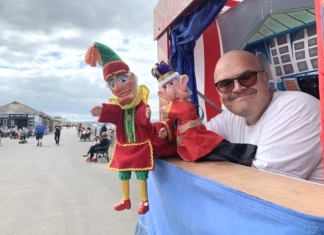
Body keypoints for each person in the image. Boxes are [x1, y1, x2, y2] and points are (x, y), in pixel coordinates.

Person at [85, 42, 177, 215]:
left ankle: (144, 201)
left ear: (132, 79)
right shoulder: (119, 107)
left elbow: (143, 118)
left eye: (121, 80)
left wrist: (146, 114)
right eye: (112, 84)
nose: (117, 87)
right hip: (124, 146)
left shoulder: (139, 103)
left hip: (140, 144)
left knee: (141, 174)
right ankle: (125, 199)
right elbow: (113, 112)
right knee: (123, 173)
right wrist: (102, 110)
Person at [205, 50, 323, 184]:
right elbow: (192, 141)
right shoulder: (230, 117)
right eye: (226, 84)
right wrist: (180, 104)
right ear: (219, 92)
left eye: (247, 77)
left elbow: (259, 187)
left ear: (266, 78)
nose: (237, 88)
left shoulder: (294, 109)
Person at [152, 61, 257, 165]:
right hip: (189, 138)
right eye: (165, 87)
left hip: (196, 135)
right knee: (213, 152)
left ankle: (247, 154)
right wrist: (166, 129)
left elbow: (182, 110)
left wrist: (167, 109)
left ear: (182, 83)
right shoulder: (175, 105)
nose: (169, 89)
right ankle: (244, 156)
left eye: (171, 84)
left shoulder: (185, 104)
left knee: (214, 148)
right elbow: (172, 120)